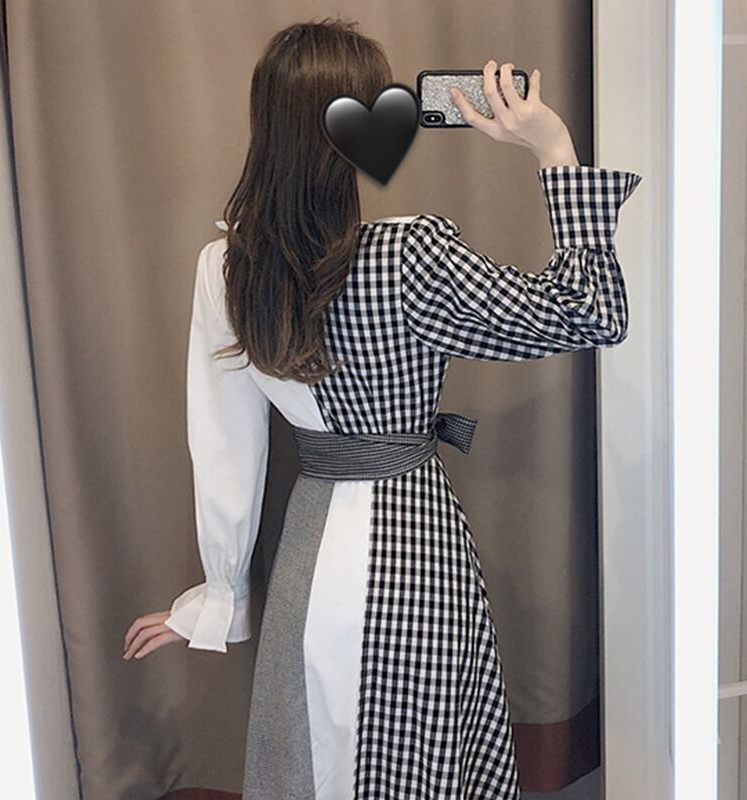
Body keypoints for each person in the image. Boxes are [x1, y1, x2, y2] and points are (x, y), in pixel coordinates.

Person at [123, 17, 642, 800]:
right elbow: (591, 311)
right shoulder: (410, 257)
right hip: (416, 552)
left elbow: (226, 445)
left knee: (316, 761)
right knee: (421, 766)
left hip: (309, 561)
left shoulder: (226, 268)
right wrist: (552, 146)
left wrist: (218, 594)